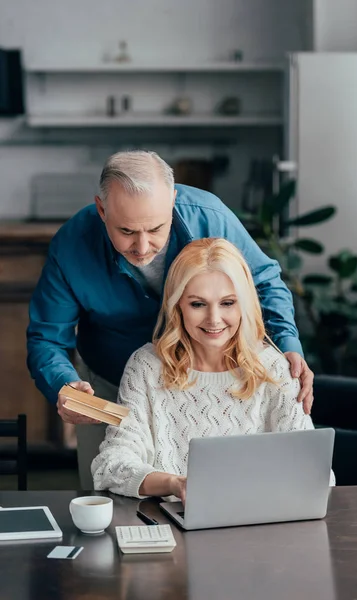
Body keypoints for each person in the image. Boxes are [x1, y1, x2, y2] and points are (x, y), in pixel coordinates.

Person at [27, 150, 314, 489]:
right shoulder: (72, 244)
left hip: (211, 374)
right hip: (110, 378)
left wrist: (288, 345)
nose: (142, 246)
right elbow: (46, 338)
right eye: (126, 231)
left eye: (155, 228)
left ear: (173, 201)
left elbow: (263, 280)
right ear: (102, 209)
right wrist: (63, 385)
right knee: (109, 489)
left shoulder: (209, 217)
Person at [92, 238, 334, 500]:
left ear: (244, 304)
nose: (214, 319)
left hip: (260, 524)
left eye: (228, 303)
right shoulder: (146, 366)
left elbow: (317, 472)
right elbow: (111, 465)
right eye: (198, 304)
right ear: (178, 305)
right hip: (171, 524)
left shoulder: (274, 369)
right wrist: (175, 484)